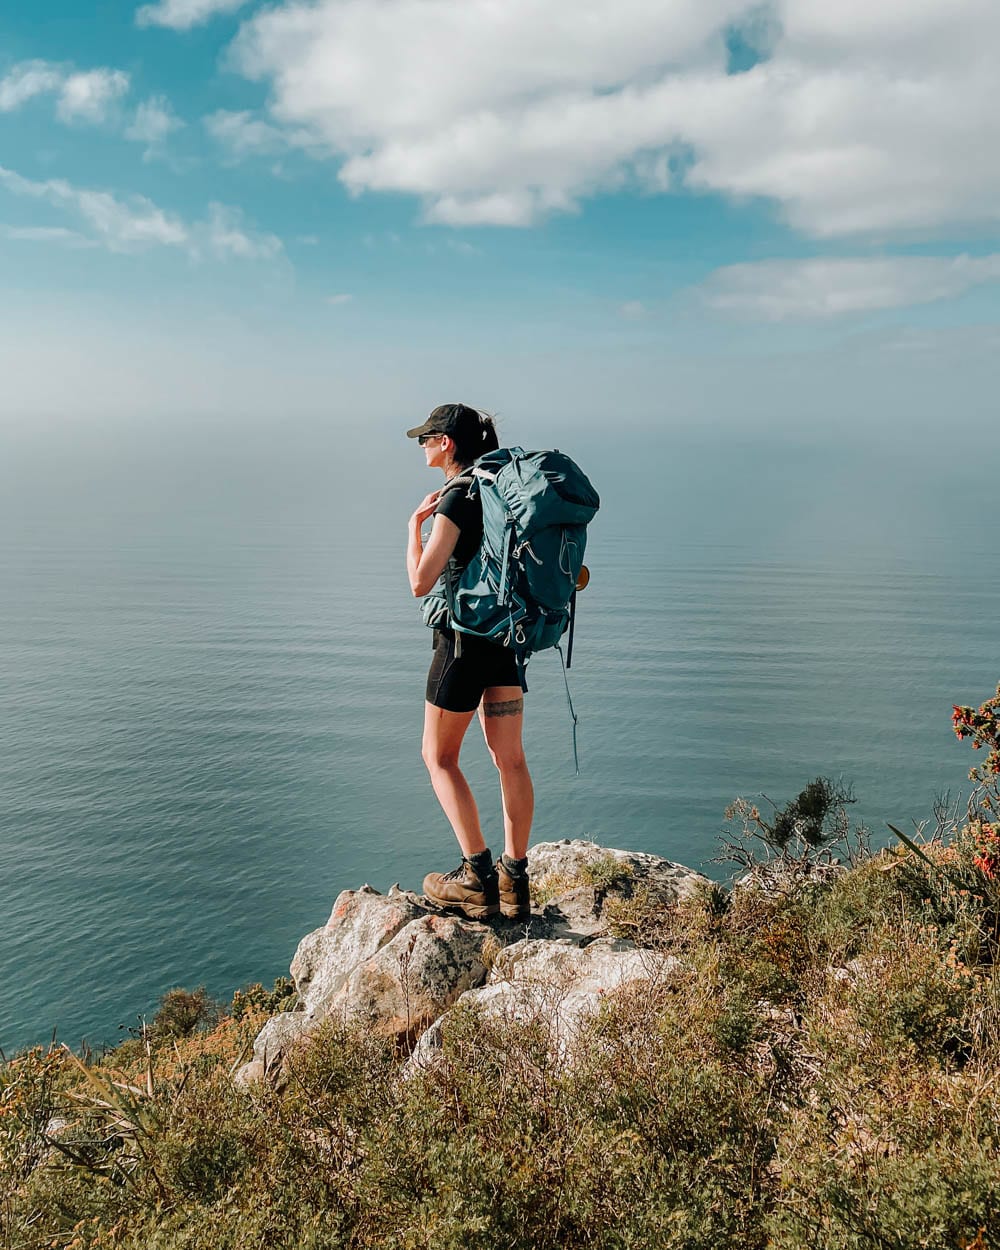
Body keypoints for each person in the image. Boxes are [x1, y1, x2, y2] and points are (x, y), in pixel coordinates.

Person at [405, 403, 532, 921]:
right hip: (505, 643)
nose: (422, 446)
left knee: (438, 758)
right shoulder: (498, 489)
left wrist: (412, 527)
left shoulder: (457, 498)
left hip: (461, 646)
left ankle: (475, 873)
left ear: (447, 444)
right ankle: (515, 880)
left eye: (426, 438)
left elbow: (420, 582)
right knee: (511, 759)